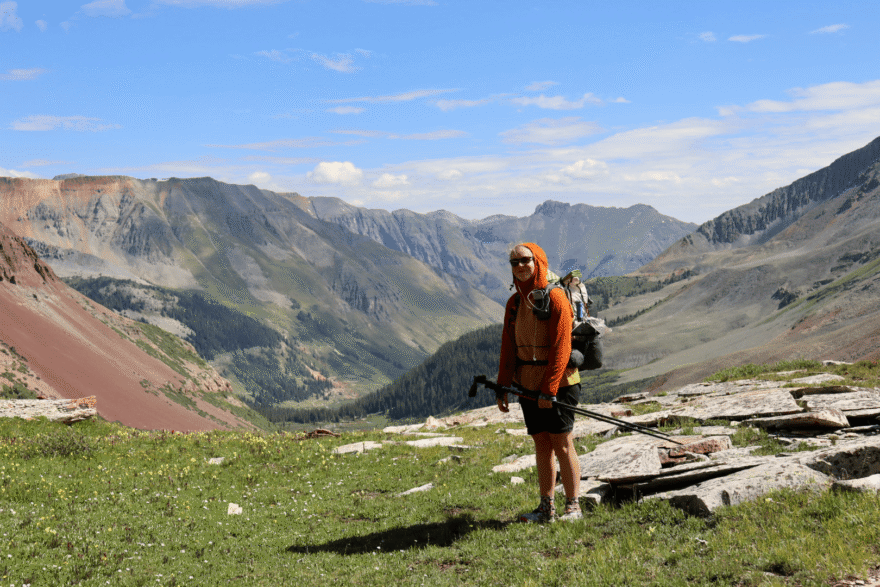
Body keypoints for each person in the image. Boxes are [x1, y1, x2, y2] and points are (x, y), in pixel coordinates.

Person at [496, 242, 582, 522]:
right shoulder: (514, 303)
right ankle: (546, 508)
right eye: (514, 262)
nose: (520, 266)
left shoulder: (556, 298)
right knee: (541, 444)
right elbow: (508, 348)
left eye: (525, 260)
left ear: (538, 261)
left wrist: (549, 389)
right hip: (528, 385)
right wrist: (503, 385)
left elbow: (562, 347)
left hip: (561, 385)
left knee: (562, 443)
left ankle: (573, 507)